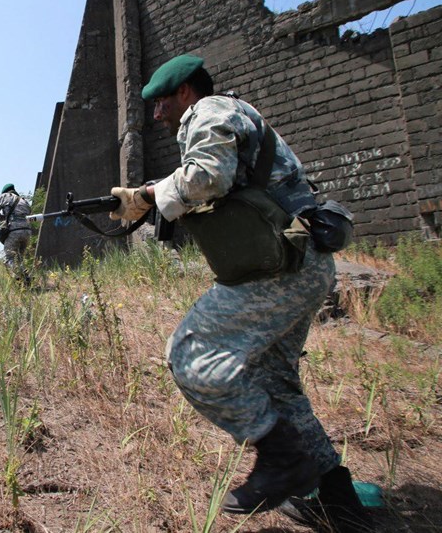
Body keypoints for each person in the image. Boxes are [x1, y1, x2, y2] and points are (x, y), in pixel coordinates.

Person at [108, 54, 370, 531]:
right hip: (299, 266)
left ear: (184, 92)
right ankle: (340, 499)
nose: (156, 114)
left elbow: (207, 177)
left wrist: (148, 197)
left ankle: (281, 459)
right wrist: (153, 195)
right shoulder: (223, 117)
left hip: (279, 270)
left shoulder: (209, 112)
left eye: (161, 102)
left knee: (191, 353)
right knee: (276, 382)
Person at [0, 183, 32, 286]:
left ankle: (20, 276)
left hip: (14, 231)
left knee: (9, 258)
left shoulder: (4, 197)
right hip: (27, 231)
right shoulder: (24, 201)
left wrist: (4, 219)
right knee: (19, 258)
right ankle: (24, 279)